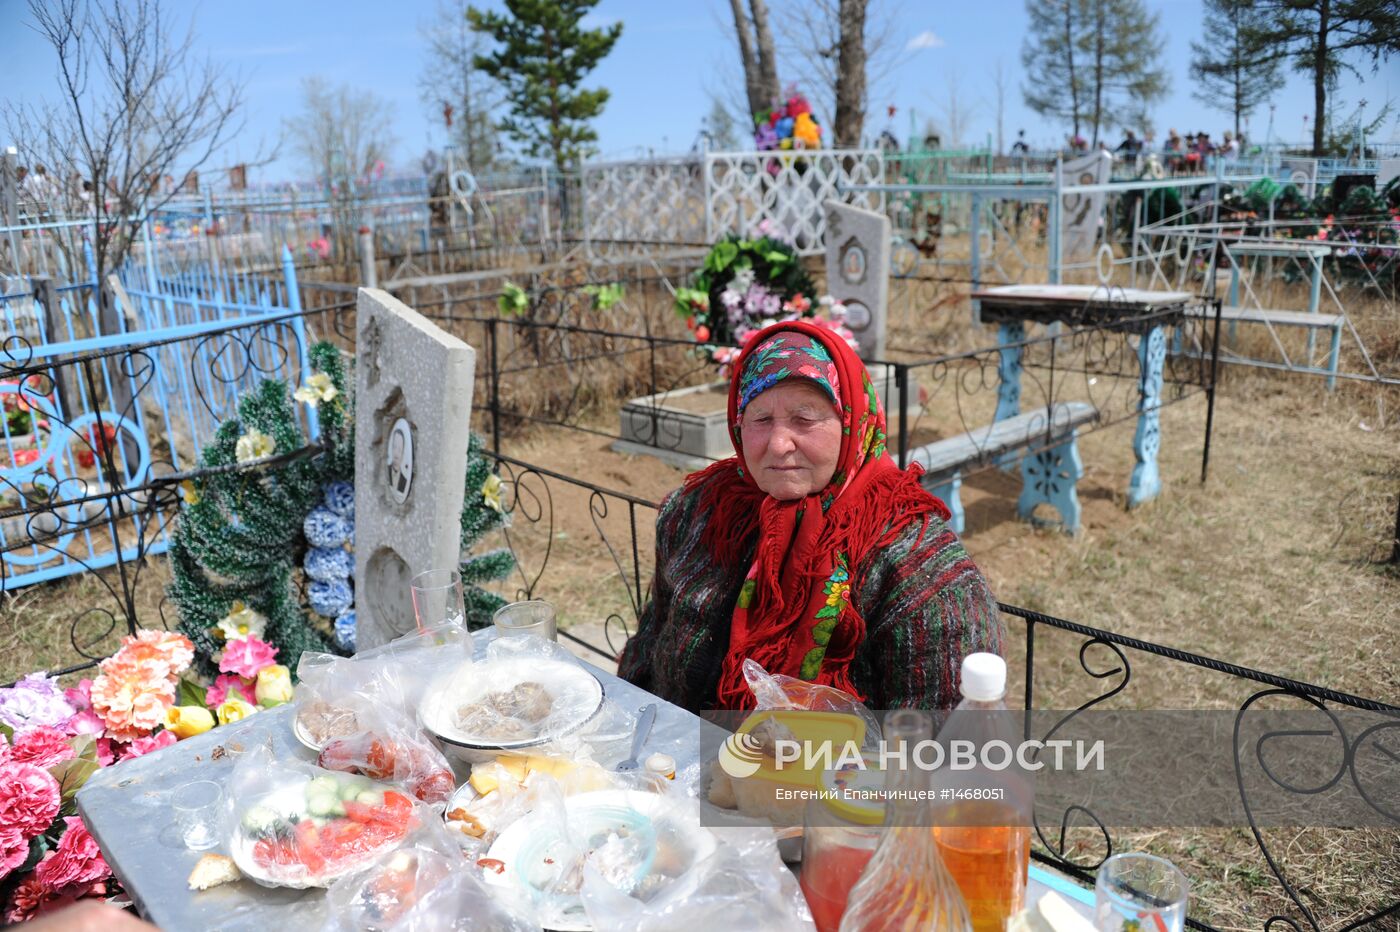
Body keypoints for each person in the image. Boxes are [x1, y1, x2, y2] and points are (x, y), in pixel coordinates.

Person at [618, 321, 1003, 712]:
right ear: (737, 423)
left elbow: (938, 747)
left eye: (804, 419)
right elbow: (647, 650)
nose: (779, 444)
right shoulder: (699, 511)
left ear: (852, 421)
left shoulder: (919, 569)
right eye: (761, 419)